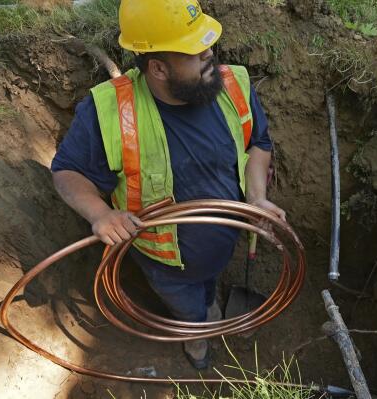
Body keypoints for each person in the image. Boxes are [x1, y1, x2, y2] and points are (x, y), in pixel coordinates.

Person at [50, 0, 285, 370]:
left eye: (207, 44)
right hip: (165, 265)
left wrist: (256, 198)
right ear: (158, 67)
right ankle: (196, 339)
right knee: (189, 309)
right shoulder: (108, 111)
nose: (210, 55)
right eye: (194, 52)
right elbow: (66, 172)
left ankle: (208, 304)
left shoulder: (233, 84)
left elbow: (258, 143)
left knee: (207, 285)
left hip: (224, 239)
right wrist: (100, 214)